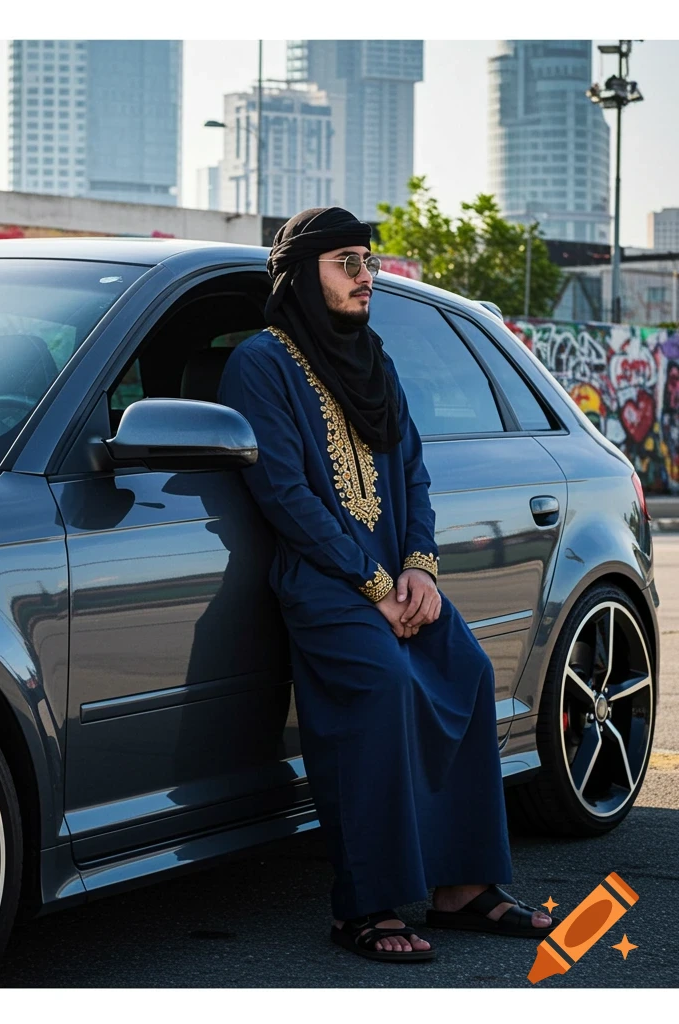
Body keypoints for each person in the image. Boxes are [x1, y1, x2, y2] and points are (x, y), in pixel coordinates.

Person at [215, 207, 561, 963]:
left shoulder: (373, 359)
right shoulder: (261, 365)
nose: (365, 276)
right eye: (347, 262)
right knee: (378, 688)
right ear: (303, 274)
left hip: (394, 580)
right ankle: (363, 906)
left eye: (368, 261)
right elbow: (285, 493)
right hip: (322, 579)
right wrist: (372, 581)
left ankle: (462, 888)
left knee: (466, 672)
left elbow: (413, 473)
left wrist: (418, 568)